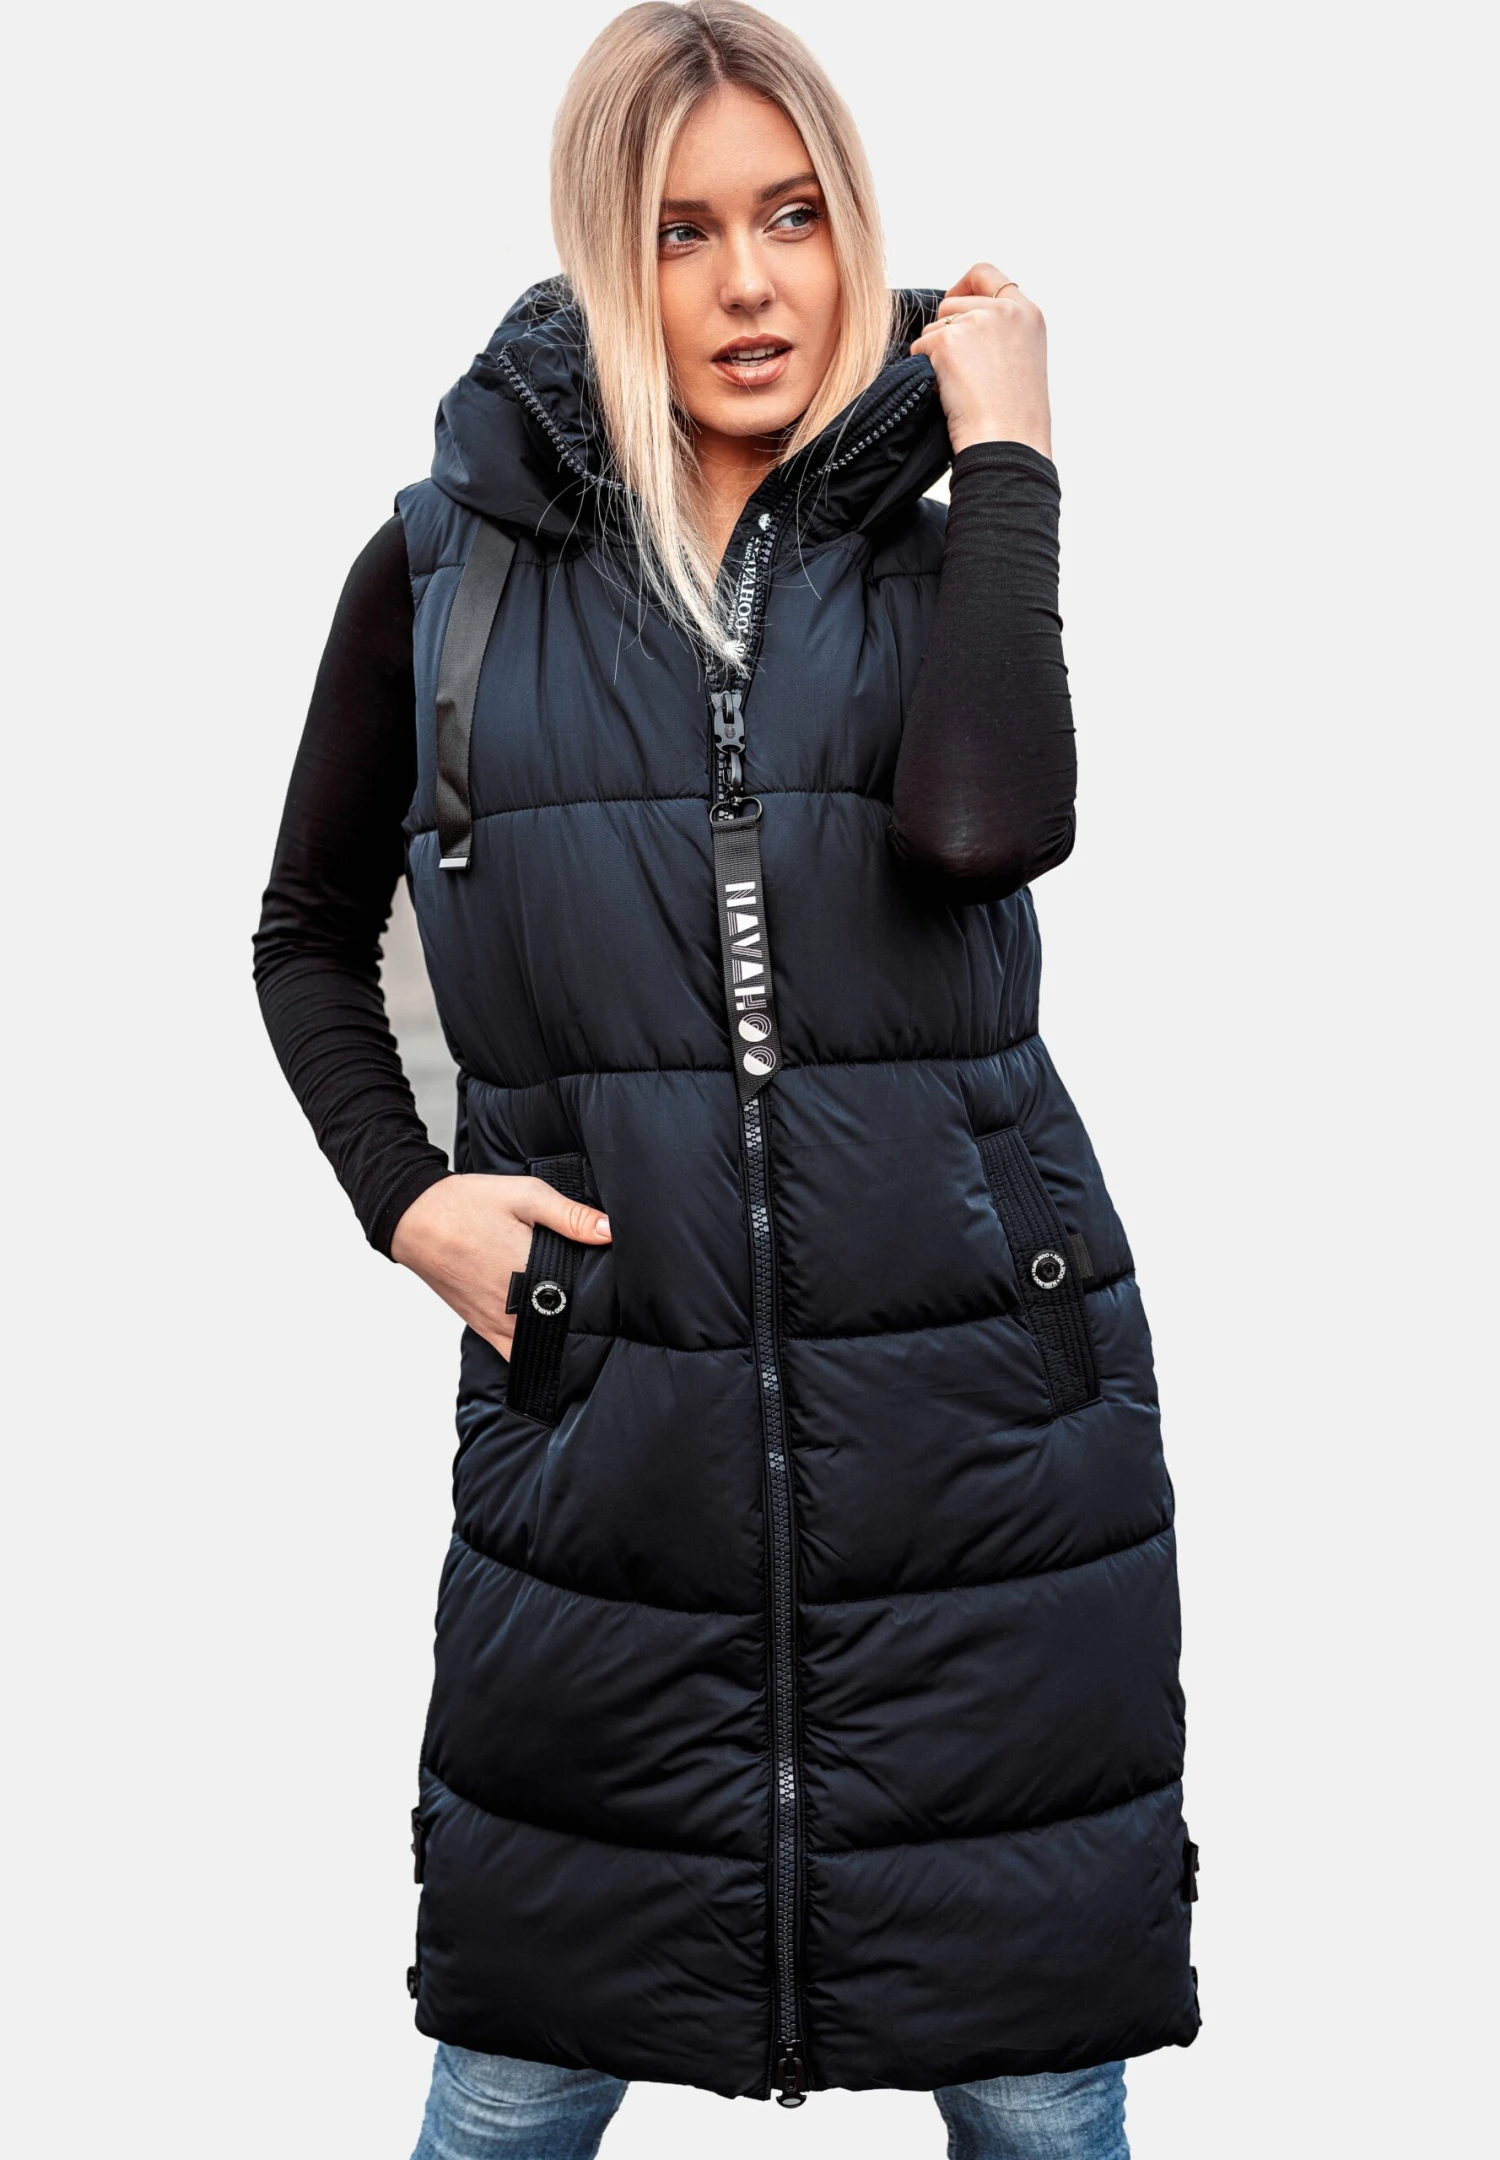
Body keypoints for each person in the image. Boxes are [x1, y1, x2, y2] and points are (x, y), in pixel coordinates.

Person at [253, 4, 1199, 2153]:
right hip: (612, 1463)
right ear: (605, 252)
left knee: (1040, 2101)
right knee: (510, 2089)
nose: (751, 284)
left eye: (794, 216)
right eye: (681, 232)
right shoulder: (443, 572)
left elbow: (986, 829)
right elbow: (307, 932)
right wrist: (406, 1197)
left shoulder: (937, 543)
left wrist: (1012, 462)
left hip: (990, 1461)